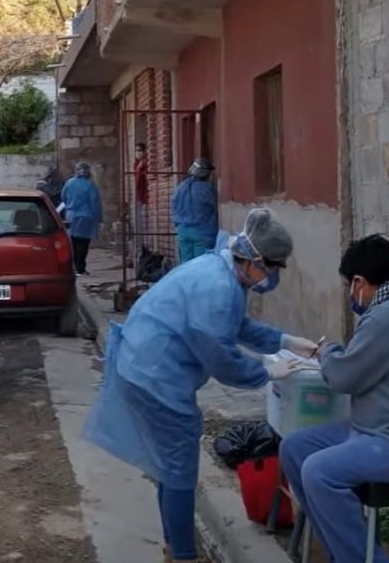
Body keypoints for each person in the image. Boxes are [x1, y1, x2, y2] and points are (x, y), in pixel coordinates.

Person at [84, 208, 317, 563]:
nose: (272, 276)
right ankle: (183, 555)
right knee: (179, 469)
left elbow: (237, 327)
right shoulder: (217, 286)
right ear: (253, 258)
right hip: (156, 375)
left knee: (169, 465)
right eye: (272, 266)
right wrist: (267, 373)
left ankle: (172, 546)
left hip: (145, 364)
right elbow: (221, 358)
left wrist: (285, 341)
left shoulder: (224, 271)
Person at [280, 235, 389, 563]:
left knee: (318, 471)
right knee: (295, 448)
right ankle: (343, 550)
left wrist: (327, 352)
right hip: (373, 427)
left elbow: (343, 376)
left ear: (359, 282)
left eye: (349, 287)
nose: (352, 295)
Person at [171, 157, 218, 263]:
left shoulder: (180, 187)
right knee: (200, 265)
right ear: (206, 173)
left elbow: (174, 207)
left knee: (186, 265)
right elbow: (214, 207)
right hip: (201, 231)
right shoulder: (207, 189)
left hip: (183, 230)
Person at [61, 161, 103, 276]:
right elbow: (95, 203)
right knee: (83, 244)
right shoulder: (90, 185)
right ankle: (80, 268)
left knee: (73, 243)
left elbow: (63, 197)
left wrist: (70, 206)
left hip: (70, 216)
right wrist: (99, 219)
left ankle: (73, 268)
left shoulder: (69, 183)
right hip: (86, 217)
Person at [132, 142, 149, 268]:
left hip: (145, 198)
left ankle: (142, 251)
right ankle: (139, 253)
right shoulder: (136, 164)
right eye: (136, 151)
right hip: (139, 198)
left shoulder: (144, 165)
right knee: (138, 227)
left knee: (143, 227)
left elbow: (139, 183)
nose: (138, 153)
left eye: (140, 150)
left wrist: (139, 170)